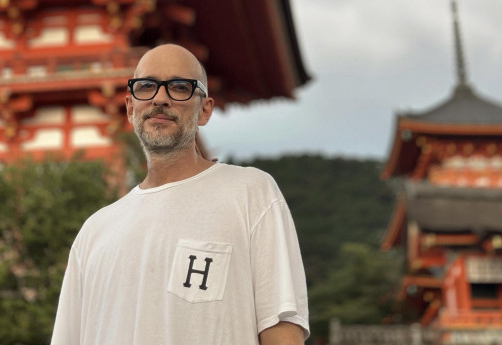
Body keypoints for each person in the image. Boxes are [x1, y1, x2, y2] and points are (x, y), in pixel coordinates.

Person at [51, 43, 309, 344]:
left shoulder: (251, 194)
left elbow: (282, 331)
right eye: (146, 86)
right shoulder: (94, 232)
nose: (160, 98)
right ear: (130, 106)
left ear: (205, 110)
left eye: (179, 87)